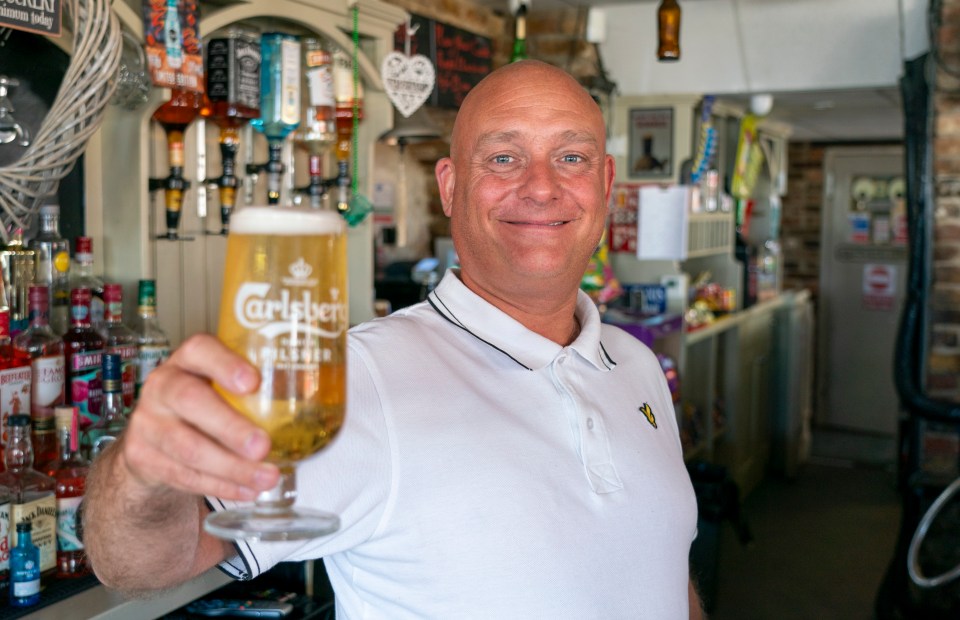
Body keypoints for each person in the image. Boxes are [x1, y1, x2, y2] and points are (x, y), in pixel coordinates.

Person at [83, 60, 702, 619]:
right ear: (451, 186)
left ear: (605, 183)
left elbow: (660, 575)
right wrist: (141, 472)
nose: (541, 187)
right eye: (504, 158)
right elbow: (141, 564)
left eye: (571, 157)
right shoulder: (355, 378)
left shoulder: (636, 365)